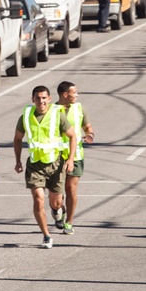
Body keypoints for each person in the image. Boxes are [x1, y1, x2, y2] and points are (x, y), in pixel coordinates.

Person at [13, 85, 77, 249]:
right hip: (35, 165)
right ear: (32, 99)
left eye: (44, 98)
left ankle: (57, 211)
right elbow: (18, 139)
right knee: (38, 199)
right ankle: (46, 235)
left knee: (55, 202)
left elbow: (72, 136)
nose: (41, 101)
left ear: (49, 99)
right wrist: (18, 160)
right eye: (37, 98)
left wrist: (70, 159)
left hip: (56, 164)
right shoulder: (25, 117)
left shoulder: (57, 115)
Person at [57, 81, 93, 235]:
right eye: (74, 93)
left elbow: (87, 127)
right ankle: (60, 209)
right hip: (55, 156)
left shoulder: (79, 108)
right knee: (57, 194)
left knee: (70, 189)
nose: (77, 95)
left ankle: (69, 223)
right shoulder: (51, 110)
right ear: (65, 94)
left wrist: (90, 134)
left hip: (76, 155)